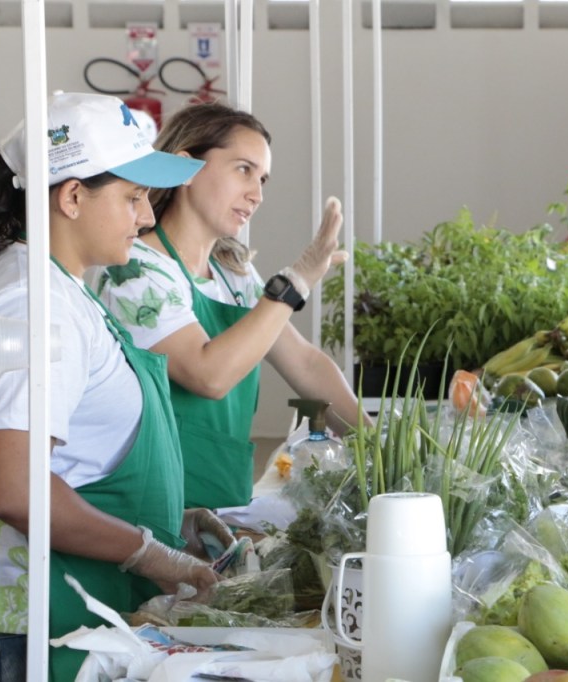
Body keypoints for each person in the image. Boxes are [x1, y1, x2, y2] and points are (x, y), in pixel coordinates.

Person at [0, 92, 236, 681]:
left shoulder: (61, 292)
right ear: (71, 197)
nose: (146, 217)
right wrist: (146, 549)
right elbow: (15, 486)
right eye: (133, 197)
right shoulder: (33, 307)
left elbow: (73, 456)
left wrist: (168, 514)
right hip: (24, 628)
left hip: (61, 612)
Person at [92, 103, 365, 511]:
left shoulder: (233, 273)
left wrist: (375, 442)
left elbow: (304, 362)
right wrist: (295, 284)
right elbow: (209, 375)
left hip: (222, 500)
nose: (256, 194)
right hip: (156, 507)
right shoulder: (134, 272)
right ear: (184, 168)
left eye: (263, 178)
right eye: (243, 169)